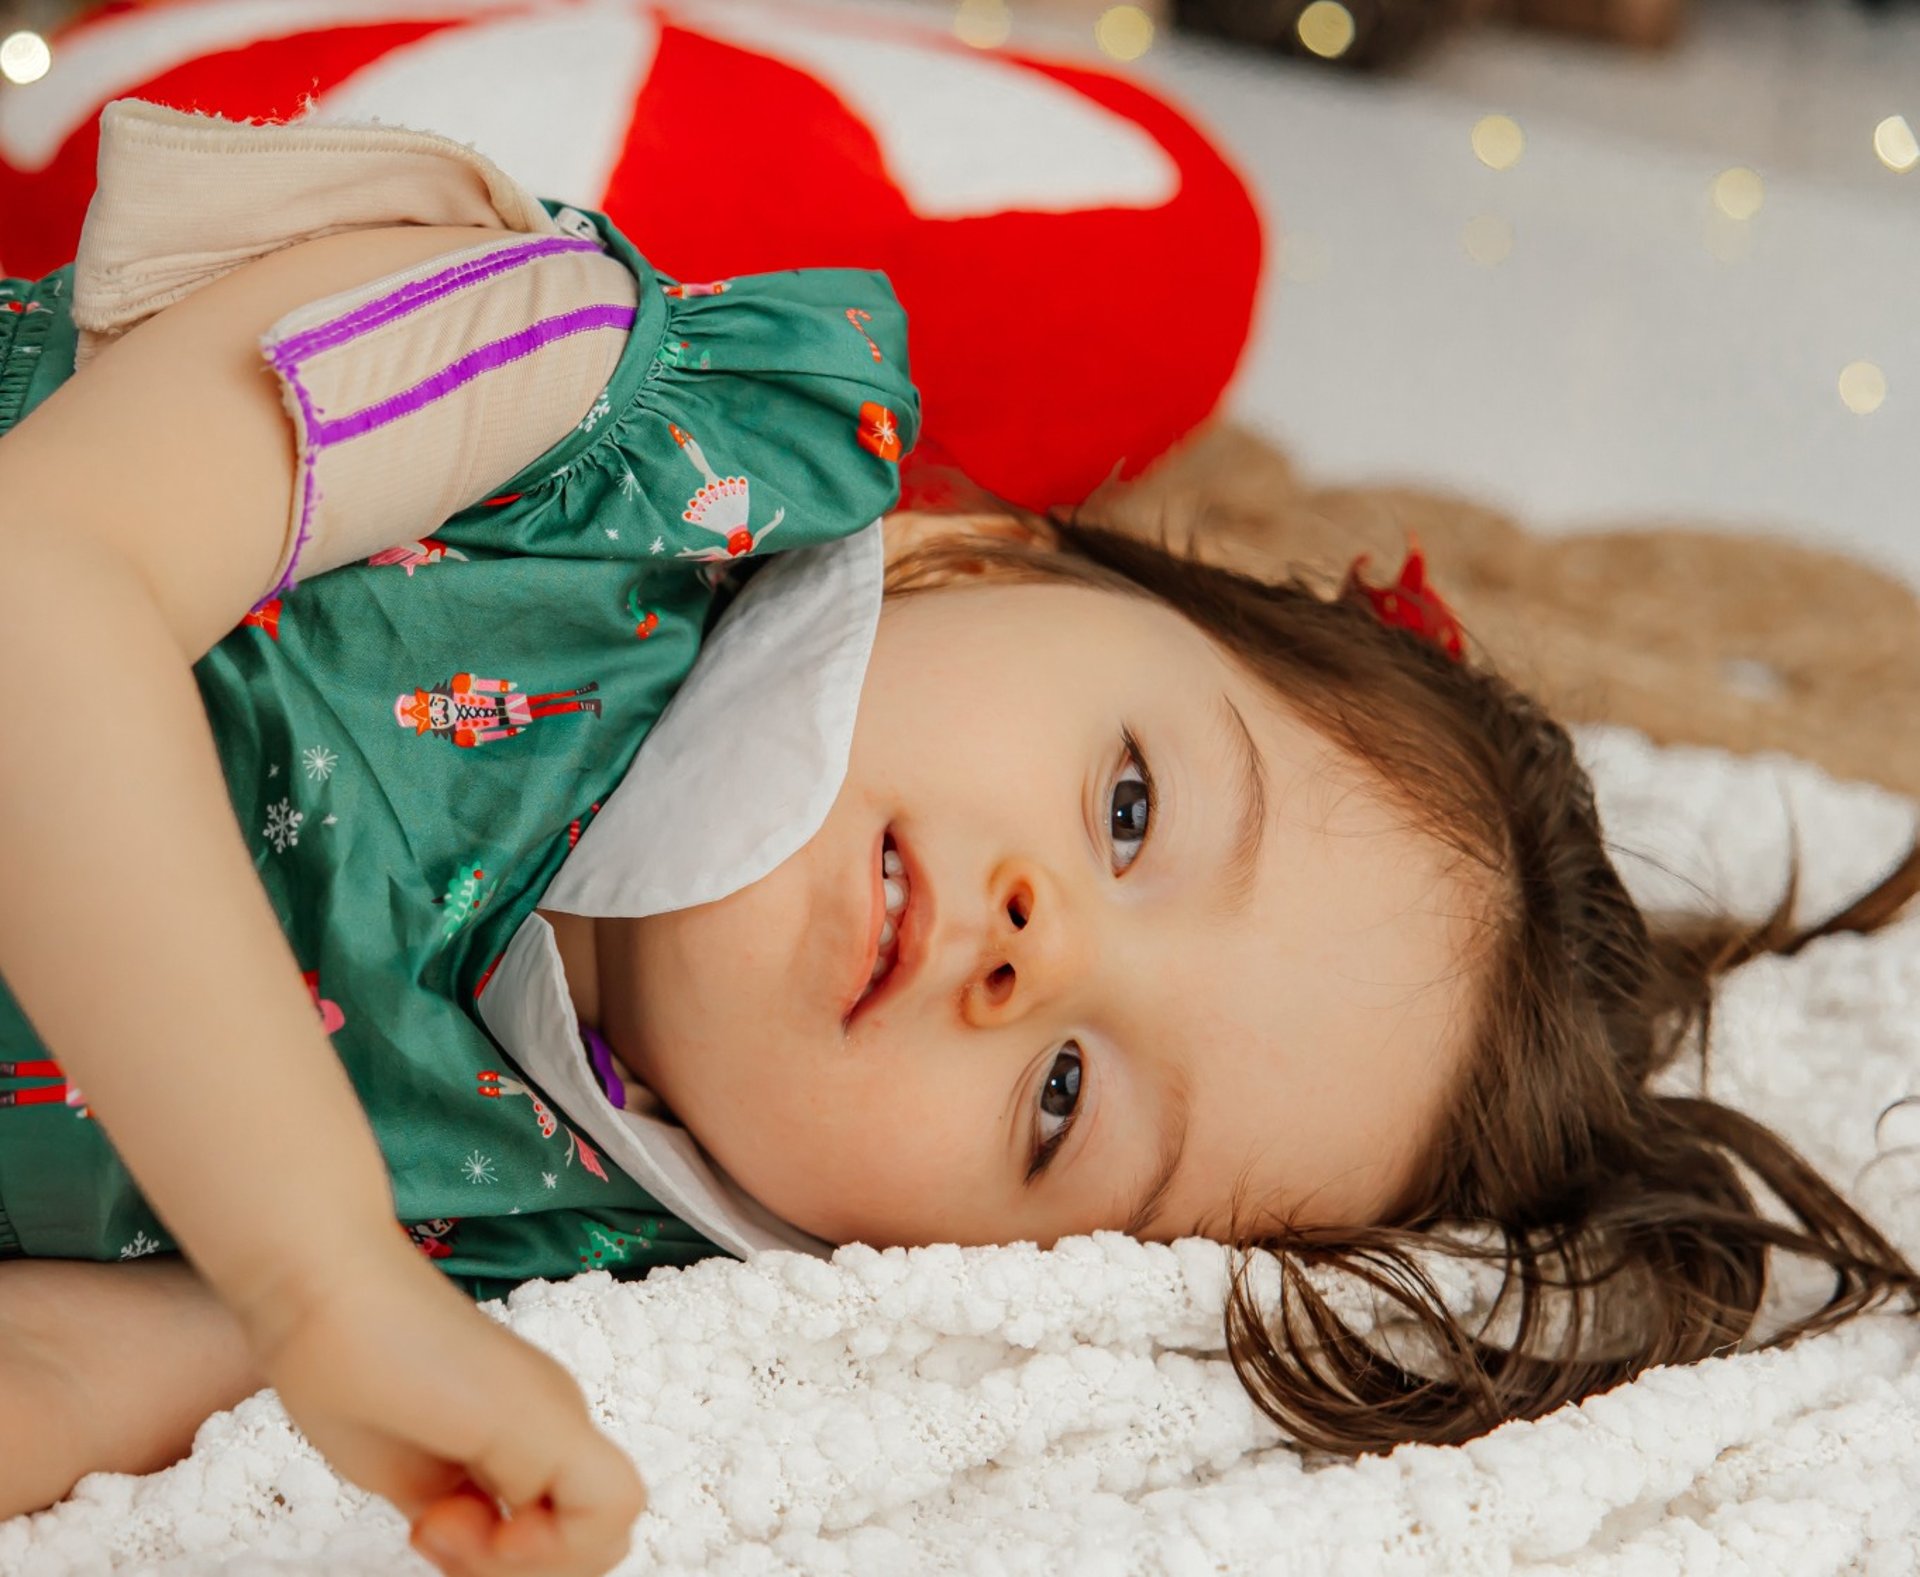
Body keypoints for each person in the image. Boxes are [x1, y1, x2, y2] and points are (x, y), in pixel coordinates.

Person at [2, 101, 1915, 1577]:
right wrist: (317, 1270)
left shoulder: (537, 1255)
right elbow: (42, 590)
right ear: (976, 554)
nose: (1041, 951)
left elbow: (76, 1373)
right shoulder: (567, 393)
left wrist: (364, 1357)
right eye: (1135, 807)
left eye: (1073, 1093)